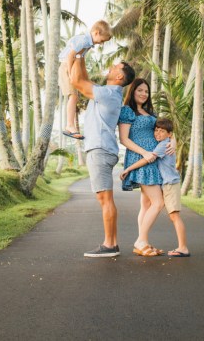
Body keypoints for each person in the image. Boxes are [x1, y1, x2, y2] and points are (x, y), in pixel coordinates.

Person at [67, 45, 136, 257]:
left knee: (105, 199)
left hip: (100, 149)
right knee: (106, 199)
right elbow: (84, 79)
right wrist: (81, 55)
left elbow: (77, 82)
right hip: (103, 149)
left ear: (119, 76)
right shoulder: (108, 93)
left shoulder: (108, 94)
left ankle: (109, 245)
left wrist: (78, 52)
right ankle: (112, 243)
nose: (112, 66)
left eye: (116, 66)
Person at [120, 118, 190, 257]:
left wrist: (128, 169)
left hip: (170, 183)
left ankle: (183, 248)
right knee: (162, 211)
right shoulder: (165, 142)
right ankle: (143, 242)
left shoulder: (163, 145)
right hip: (167, 183)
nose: (157, 133)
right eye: (156, 130)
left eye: (162, 131)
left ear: (169, 134)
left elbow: (148, 159)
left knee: (174, 216)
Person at [117, 78, 168, 257]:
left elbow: (165, 131)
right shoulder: (127, 111)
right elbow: (124, 139)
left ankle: (143, 242)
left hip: (153, 159)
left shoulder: (149, 112)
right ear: (133, 91)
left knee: (146, 204)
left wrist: (172, 143)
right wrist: (144, 153)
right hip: (140, 157)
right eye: (140, 90)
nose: (144, 94)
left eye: (146, 91)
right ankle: (140, 241)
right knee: (158, 202)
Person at [59, 20, 113, 140]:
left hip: (72, 66)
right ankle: (69, 125)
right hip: (66, 66)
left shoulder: (88, 43)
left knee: (75, 96)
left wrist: (86, 79)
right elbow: (70, 56)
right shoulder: (83, 40)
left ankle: (70, 125)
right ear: (96, 33)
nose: (101, 43)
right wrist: (69, 73)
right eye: (102, 40)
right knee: (73, 96)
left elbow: (80, 59)